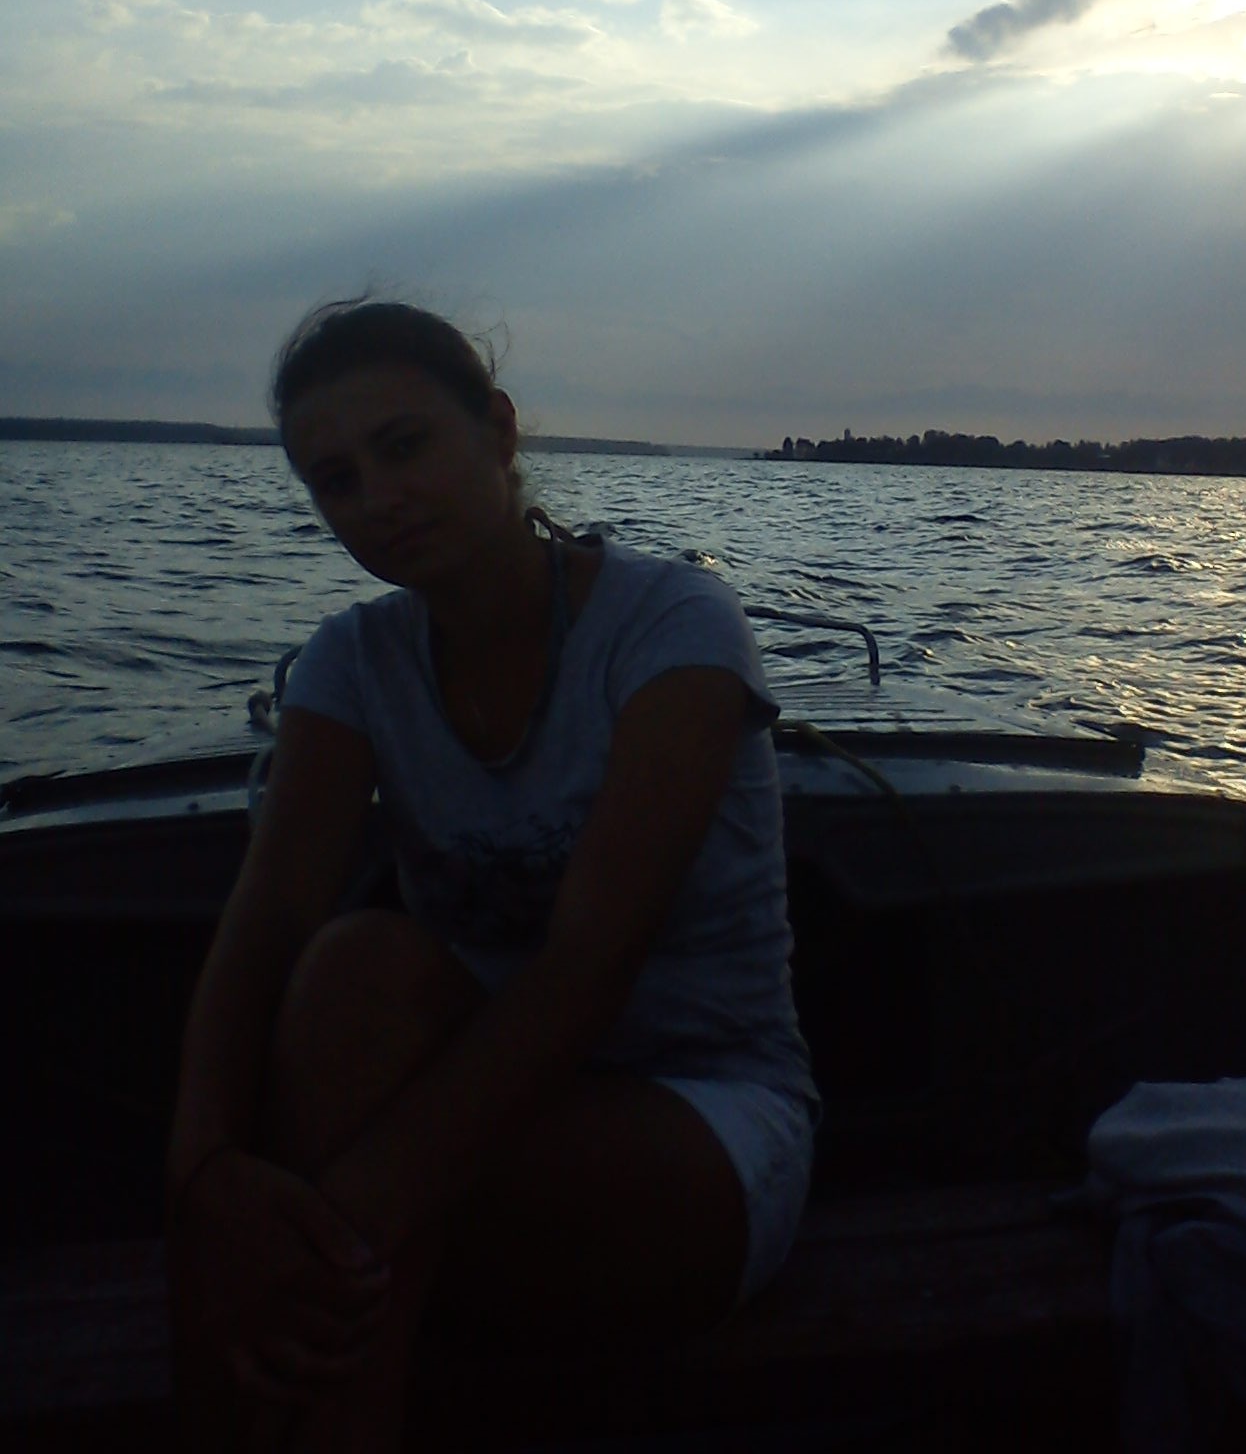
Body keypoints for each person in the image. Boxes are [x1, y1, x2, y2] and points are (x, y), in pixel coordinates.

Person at [165, 297, 819, 1451]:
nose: (378, 496)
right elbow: (267, 921)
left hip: (695, 1126)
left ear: (499, 428)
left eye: (404, 445)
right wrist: (205, 1172)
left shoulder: (673, 626)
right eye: (336, 479)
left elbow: (589, 966)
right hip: (446, 1124)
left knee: (300, 1273)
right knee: (352, 965)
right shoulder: (352, 661)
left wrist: (320, 1224)